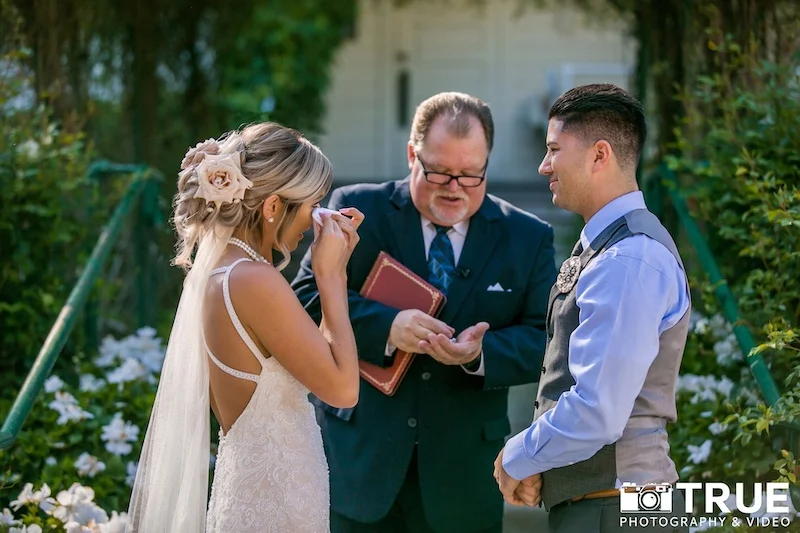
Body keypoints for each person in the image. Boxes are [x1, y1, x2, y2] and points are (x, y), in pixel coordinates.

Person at [292, 92, 558, 533]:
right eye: (439, 172)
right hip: (359, 465)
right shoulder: (359, 209)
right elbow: (304, 298)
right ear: (412, 155)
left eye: (471, 175)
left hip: (464, 477)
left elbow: (547, 341)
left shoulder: (527, 237)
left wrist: (479, 354)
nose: (454, 188)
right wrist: (387, 327)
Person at [127, 122, 365, 533]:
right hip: (276, 503)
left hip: (256, 492)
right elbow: (343, 389)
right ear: (272, 207)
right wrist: (330, 276)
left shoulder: (223, 274)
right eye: (311, 203)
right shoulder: (254, 280)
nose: (314, 218)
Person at [493, 84, 692, 533]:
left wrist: (518, 456)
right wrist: (543, 467)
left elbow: (597, 410)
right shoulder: (609, 249)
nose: (544, 165)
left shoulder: (628, 259)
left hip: (619, 508)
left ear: (599, 155)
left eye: (554, 149)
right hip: (603, 505)